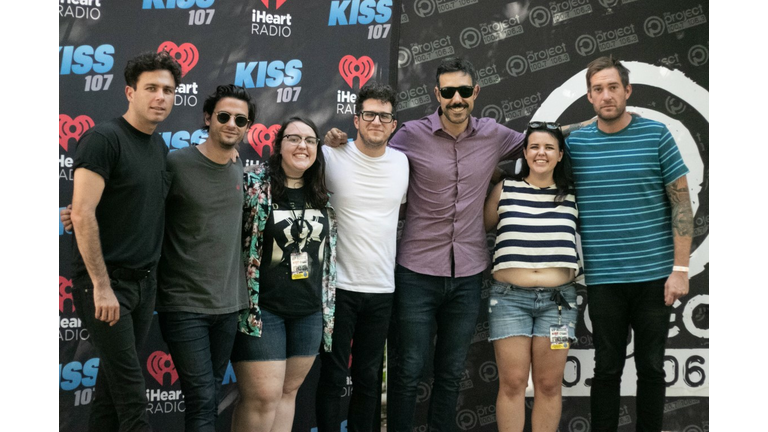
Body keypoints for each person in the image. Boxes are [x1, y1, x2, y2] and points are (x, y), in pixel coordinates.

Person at [325, 57, 590, 432]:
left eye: (463, 91)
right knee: (408, 369)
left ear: (475, 93)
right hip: (416, 272)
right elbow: (370, 144)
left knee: (450, 372)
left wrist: (595, 122)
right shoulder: (410, 134)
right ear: (437, 94)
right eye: (448, 91)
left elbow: (543, 141)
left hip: (467, 274)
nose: (456, 98)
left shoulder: (495, 134)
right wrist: (337, 140)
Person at [566, 55, 693, 432]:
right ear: (589, 96)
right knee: (606, 369)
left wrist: (680, 270)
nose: (606, 95)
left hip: (655, 278)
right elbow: (537, 138)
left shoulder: (657, 134)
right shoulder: (576, 143)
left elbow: (681, 204)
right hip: (604, 280)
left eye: (613, 87)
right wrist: (581, 125)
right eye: (598, 89)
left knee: (652, 368)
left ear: (628, 91)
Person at [68, 51, 181, 432]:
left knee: (111, 395)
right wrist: (101, 287)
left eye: (168, 89)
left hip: (143, 285)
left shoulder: (160, 147)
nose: (160, 96)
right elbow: (82, 213)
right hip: (106, 285)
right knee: (133, 400)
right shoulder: (104, 138)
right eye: (151, 88)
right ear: (130, 92)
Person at [154, 84, 254, 431]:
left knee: (210, 395)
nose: (231, 123)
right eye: (224, 116)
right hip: (183, 306)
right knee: (201, 398)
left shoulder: (241, 170)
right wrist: (85, 209)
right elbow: (139, 205)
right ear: (207, 118)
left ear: (247, 127)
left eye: (240, 119)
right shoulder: (176, 162)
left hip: (228, 307)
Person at [230, 117, 337, 432]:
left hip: (309, 311)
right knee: (262, 397)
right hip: (263, 310)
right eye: (293, 138)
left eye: (310, 140)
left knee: (288, 393)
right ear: (278, 147)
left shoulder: (322, 194)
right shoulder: (253, 186)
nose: (302, 145)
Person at [315, 82, 409, 432]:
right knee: (333, 376)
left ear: (394, 125)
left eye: (384, 116)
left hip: (383, 288)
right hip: (337, 287)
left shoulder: (402, 163)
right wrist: (325, 140)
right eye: (369, 114)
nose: (376, 121)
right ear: (356, 119)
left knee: (369, 379)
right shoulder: (329, 155)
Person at [483, 122, 580, 432]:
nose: (541, 152)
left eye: (549, 147)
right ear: (524, 152)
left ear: (560, 155)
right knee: (511, 383)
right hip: (509, 299)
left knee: (549, 385)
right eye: (534, 146)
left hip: (559, 304)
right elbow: (480, 227)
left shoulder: (573, 196)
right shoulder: (505, 189)